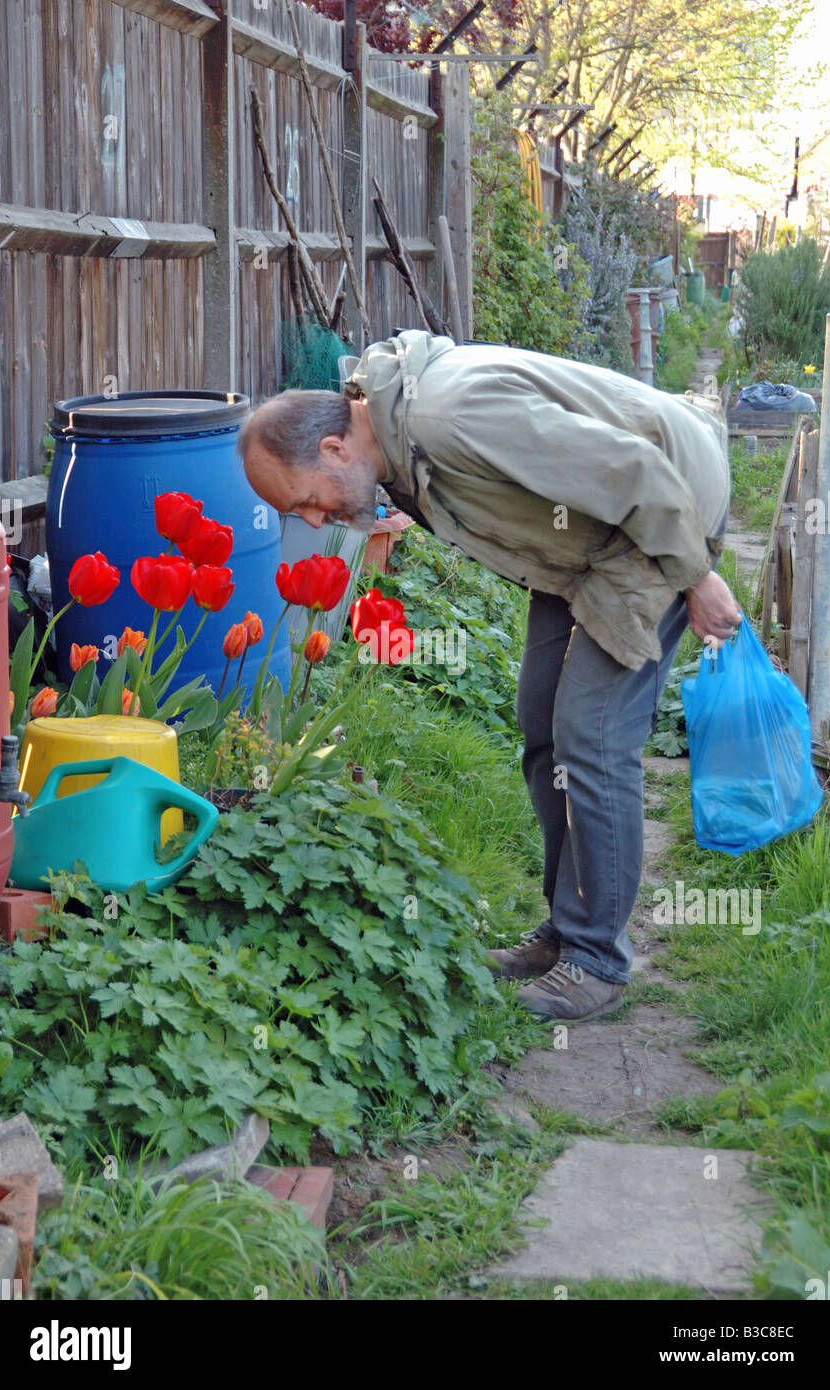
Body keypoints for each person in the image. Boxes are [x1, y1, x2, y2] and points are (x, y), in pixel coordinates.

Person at [238, 329, 740, 1024]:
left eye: (306, 501)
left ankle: (596, 961)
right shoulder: (392, 437)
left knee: (591, 737)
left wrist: (698, 576)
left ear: (333, 449)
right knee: (543, 723)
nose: (314, 518)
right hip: (584, 544)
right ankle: (565, 933)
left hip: (661, 512)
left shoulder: (451, 417)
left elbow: (629, 471)